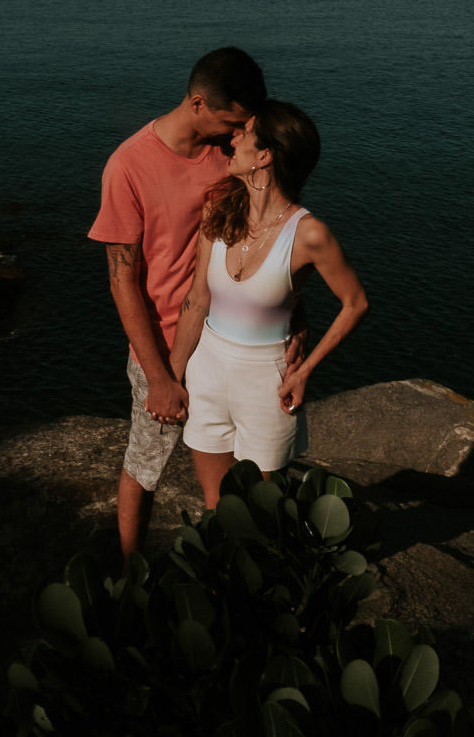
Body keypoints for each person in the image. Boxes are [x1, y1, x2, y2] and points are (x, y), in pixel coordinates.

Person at [88, 47, 301, 558]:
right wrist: (159, 375)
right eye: (233, 120)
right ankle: (129, 573)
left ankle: (225, 573)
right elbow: (122, 279)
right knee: (145, 465)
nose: (240, 132)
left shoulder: (232, 155)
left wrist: (295, 318)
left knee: (230, 473)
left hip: (231, 340)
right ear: (200, 103)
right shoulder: (128, 166)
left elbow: (271, 236)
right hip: (163, 345)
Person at [171, 100, 368, 506]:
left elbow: (355, 303)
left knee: (261, 508)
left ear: (264, 156)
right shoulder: (218, 210)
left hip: (268, 382)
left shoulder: (310, 234)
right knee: (216, 507)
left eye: (244, 133)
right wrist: (172, 377)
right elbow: (197, 298)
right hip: (206, 369)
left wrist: (305, 371)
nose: (233, 137)